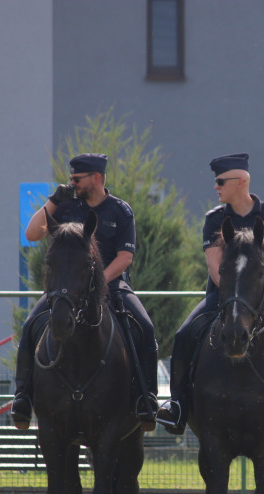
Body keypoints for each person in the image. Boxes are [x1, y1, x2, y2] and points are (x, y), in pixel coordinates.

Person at [156, 152, 264, 439]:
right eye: (216, 181)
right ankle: (178, 405)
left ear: (241, 181)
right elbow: (213, 265)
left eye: (221, 181)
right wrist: (234, 296)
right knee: (184, 335)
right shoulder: (214, 219)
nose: (216, 186)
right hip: (220, 297)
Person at [11, 153, 159, 430]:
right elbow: (31, 234)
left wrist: (97, 282)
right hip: (66, 288)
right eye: (71, 178)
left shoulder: (120, 211)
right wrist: (54, 200)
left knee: (145, 328)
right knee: (31, 325)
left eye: (78, 179)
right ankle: (22, 397)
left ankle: (146, 398)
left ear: (97, 178)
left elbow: (125, 257)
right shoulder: (65, 206)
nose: (73, 183)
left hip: (112, 284)